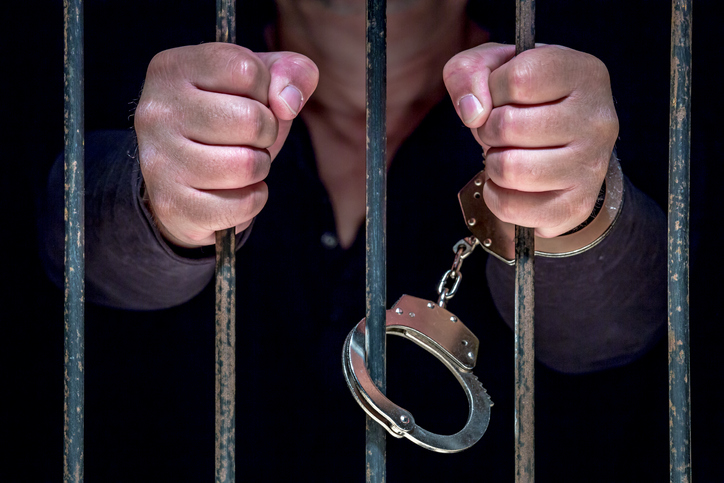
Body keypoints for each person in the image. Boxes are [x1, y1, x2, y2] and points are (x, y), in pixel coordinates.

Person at [41, 0, 668, 480]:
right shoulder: (160, 71)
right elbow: (71, 243)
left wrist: (572, 206)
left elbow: (621, 325)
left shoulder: (587, 98)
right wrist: (161, 194)